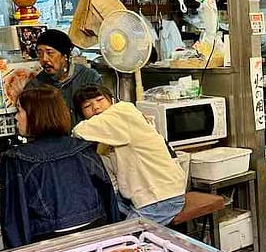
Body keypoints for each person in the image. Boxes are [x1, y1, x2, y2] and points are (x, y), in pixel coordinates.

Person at [0, 87, 118, 248]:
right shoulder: (83, 147)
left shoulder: (15, 159)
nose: (16, 117)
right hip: (97, 231)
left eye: (19, 111)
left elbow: (13, 217)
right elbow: (107, 195)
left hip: (48, 240)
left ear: (36, 115)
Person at [74, 85, 186, 225]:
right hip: (146, 197)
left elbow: (79, 130)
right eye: (87, 106)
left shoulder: (123, 112)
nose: (96, 107)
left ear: (112, 101)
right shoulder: (106, 137)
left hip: (162, 198)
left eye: (100, 100)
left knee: (126, 240)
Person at [25, 28, 102, 126]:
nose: (44, 59)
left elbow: (102, 115)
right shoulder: (35, 87)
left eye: (50, 53)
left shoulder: (89, 77)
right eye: (40, 53)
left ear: (65, 56)